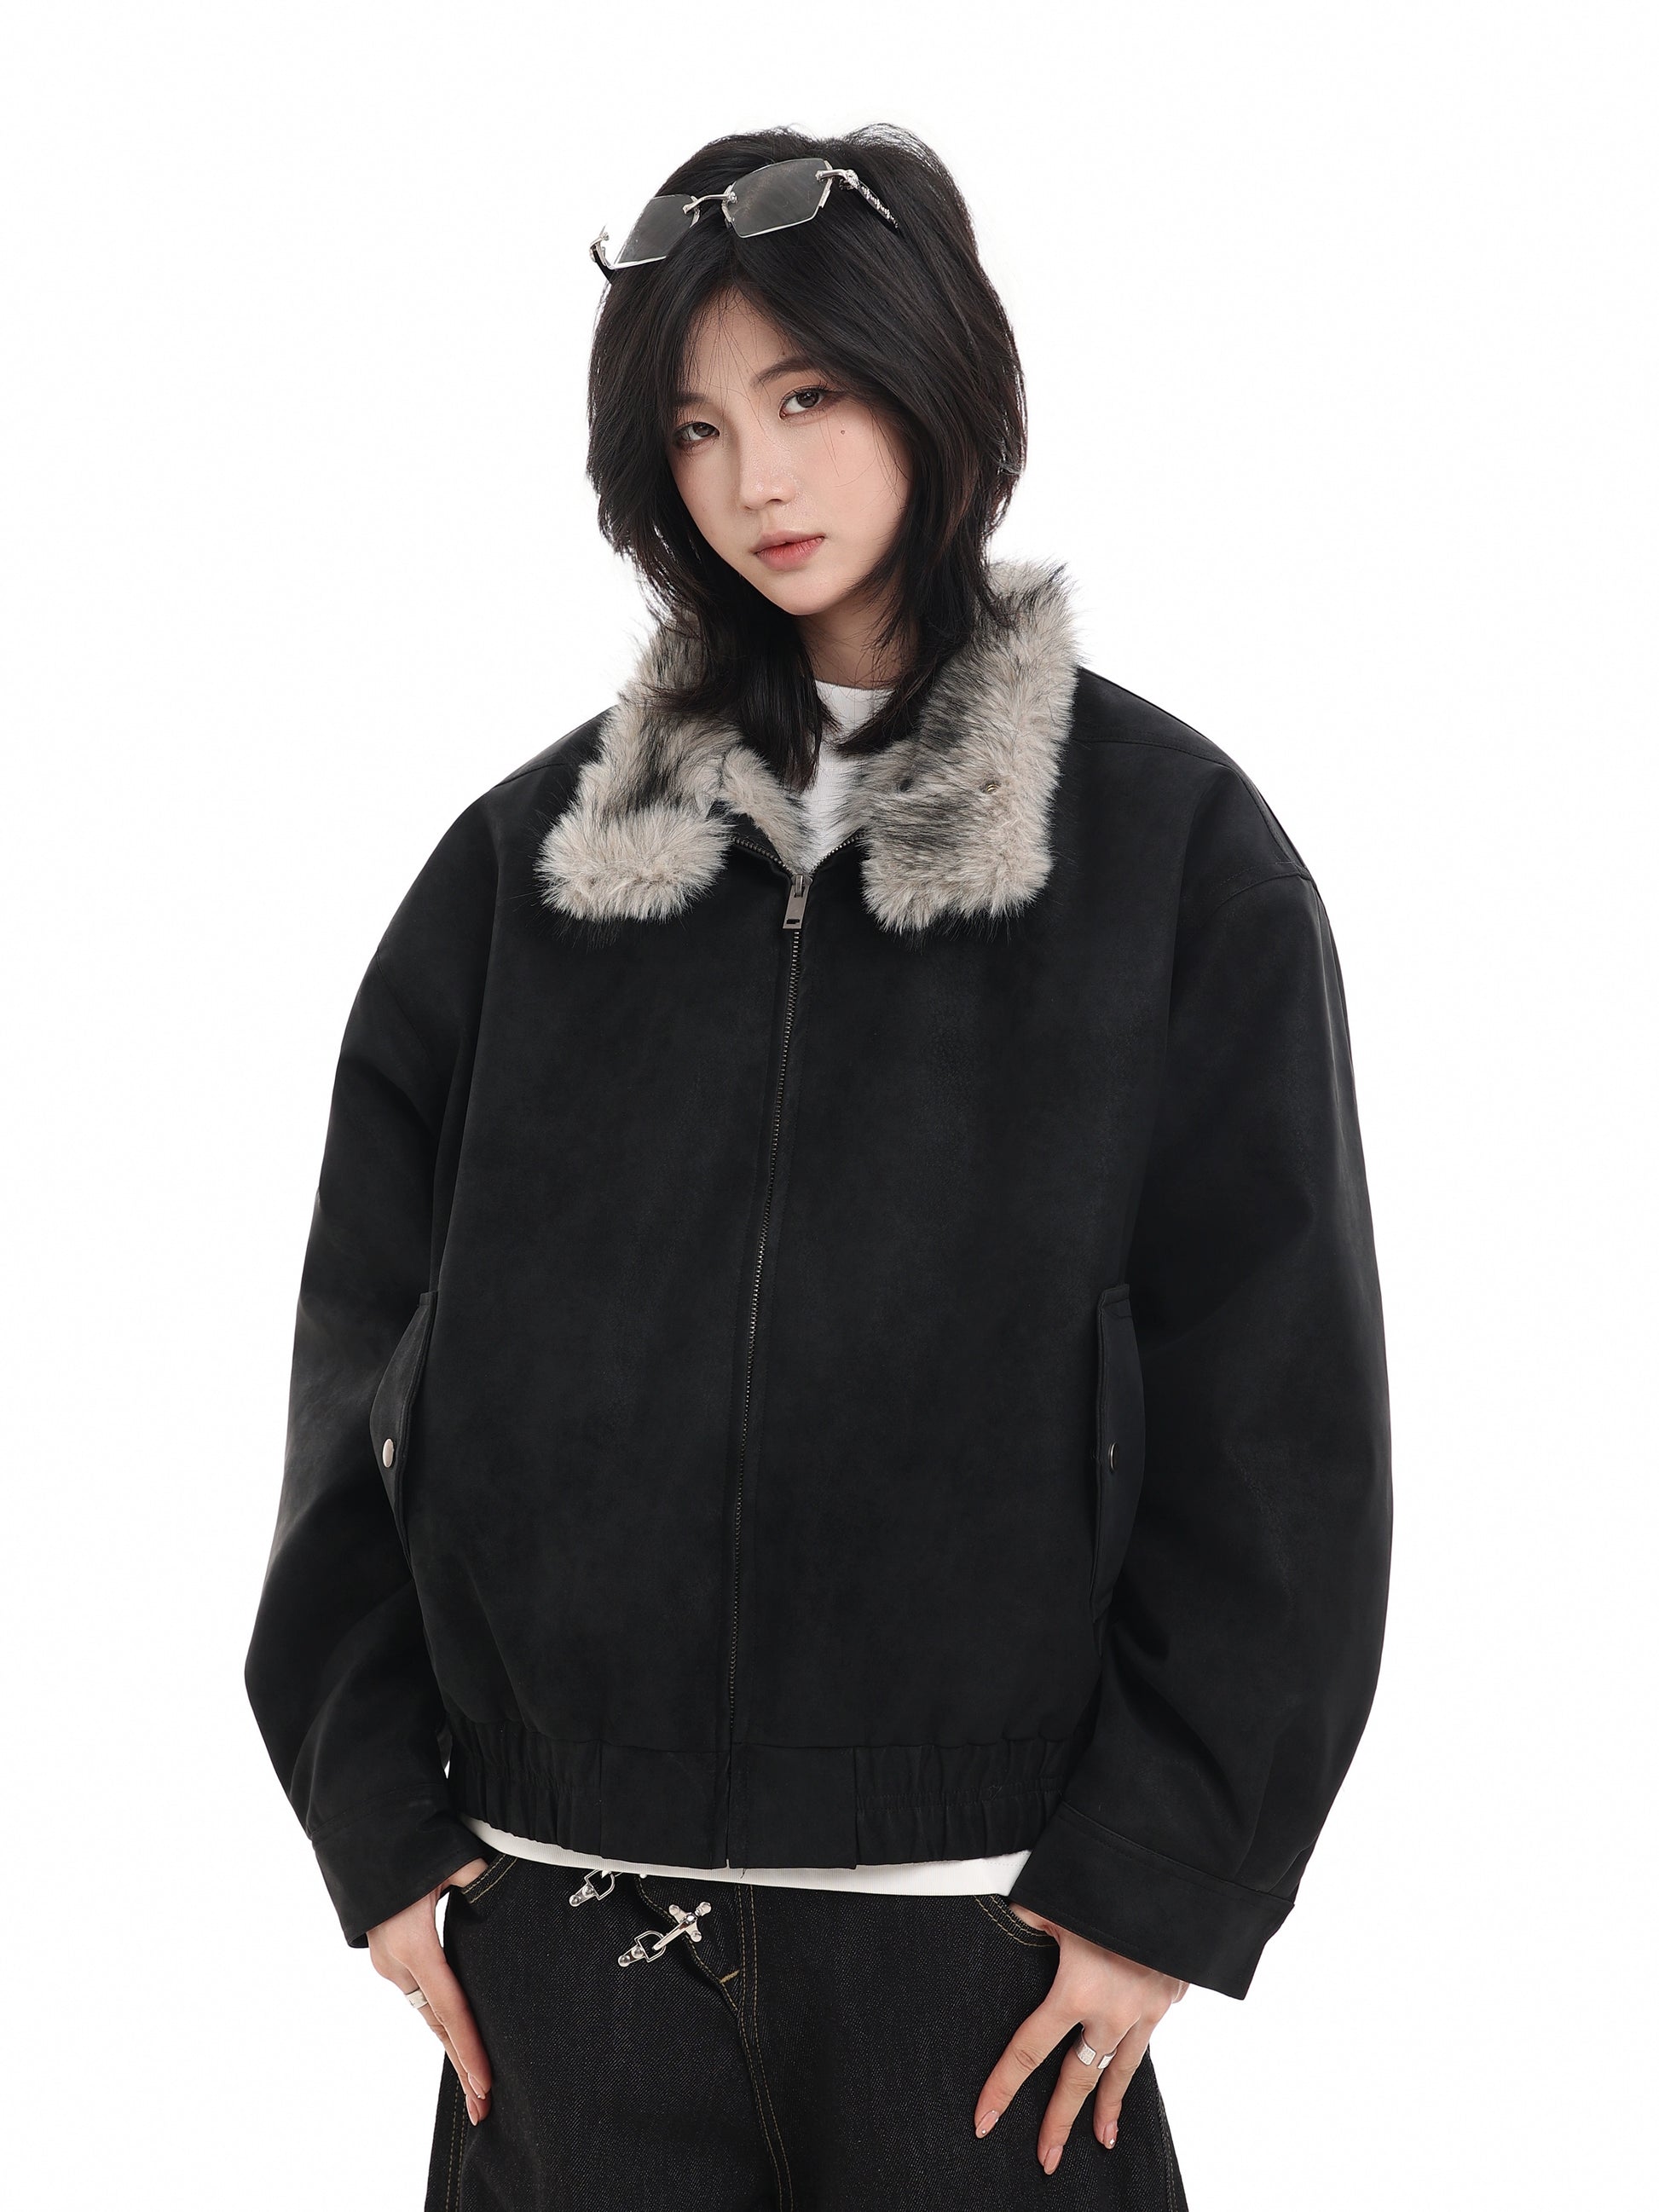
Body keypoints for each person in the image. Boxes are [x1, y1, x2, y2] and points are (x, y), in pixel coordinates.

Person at [246, 124, 1392, 2210]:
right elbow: (361, 1368)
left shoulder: (1170, 854)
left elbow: (1281, 1409)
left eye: (808, 396)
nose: (754, 479)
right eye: (695, 427)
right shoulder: (518, 877)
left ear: (935, 389)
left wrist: (1162, 1872)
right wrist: (380, 1827)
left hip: (986, 1953)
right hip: (561, 1942)